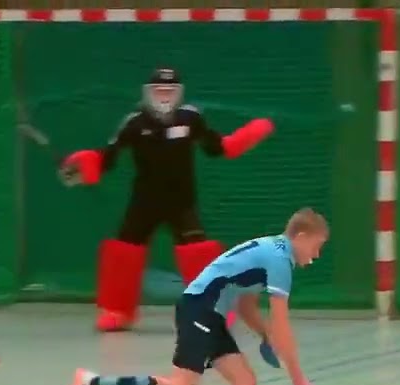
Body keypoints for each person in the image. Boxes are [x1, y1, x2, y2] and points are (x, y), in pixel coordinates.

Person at [69, 209, 329, 385]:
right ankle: (92, 384)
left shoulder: (271, 251)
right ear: (301, 236)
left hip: (209, 314)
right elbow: (282, 326)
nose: (316, 254)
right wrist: (299, 381)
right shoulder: (280, 261)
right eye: (316, 246)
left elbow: (247, 306)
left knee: (244, 382)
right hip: (199, 310)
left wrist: (265, 335)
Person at [60, 68, 275, 332]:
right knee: (123, 252)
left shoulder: (191, 118)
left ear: (179, 93)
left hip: (181, 202)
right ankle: (117, 310)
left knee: (199, 253)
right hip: (144, 202)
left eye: (170, 91)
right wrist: (84, 165)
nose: (164, 96)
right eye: (159, 91)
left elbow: (217, 147)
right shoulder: (134, 123)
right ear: (148, 93)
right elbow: (108, 157)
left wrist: (246, 137)